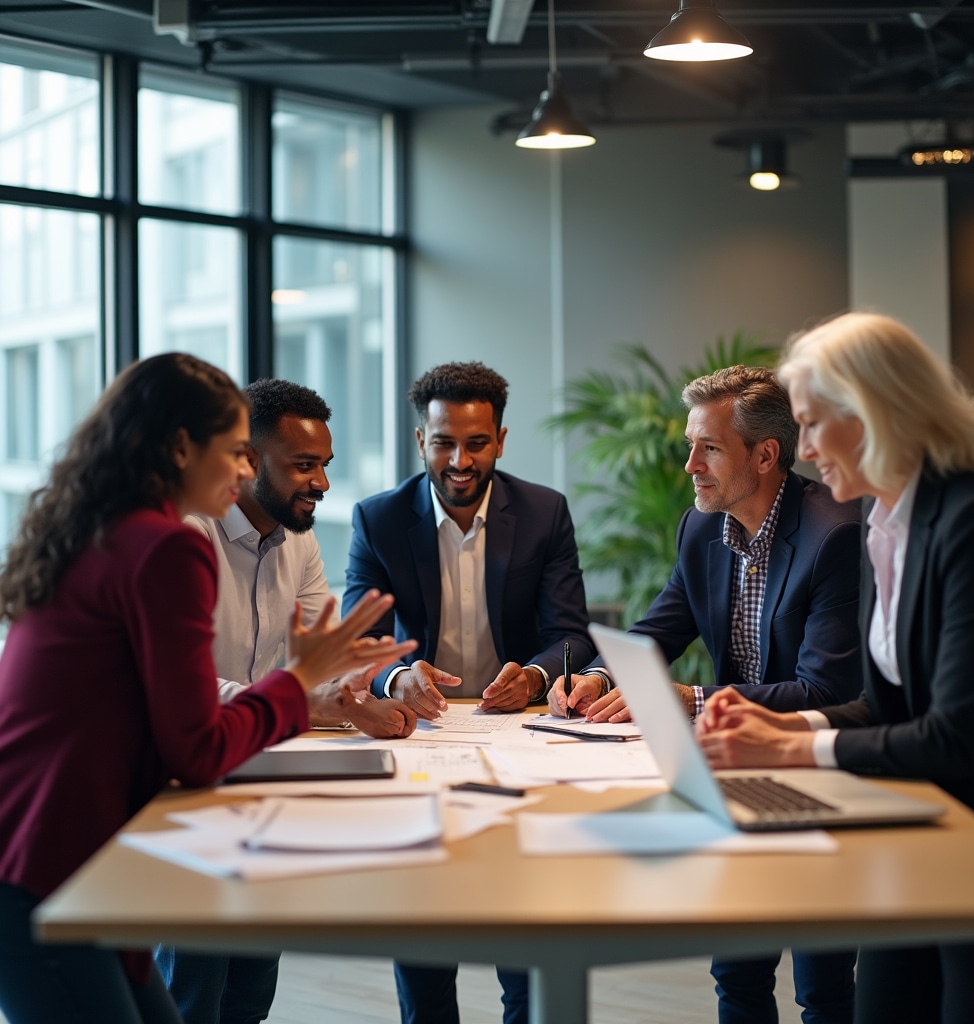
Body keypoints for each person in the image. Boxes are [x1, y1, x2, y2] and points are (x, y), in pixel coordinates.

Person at [0, 353, 416, 1024]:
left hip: (60, 848)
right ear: (180, 449)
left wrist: (321, 679)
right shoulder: (170, 546)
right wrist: (298, 684)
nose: (244, 471)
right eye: (234, 453)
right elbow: (197, 747)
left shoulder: (101, 528)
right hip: (48, 861)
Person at [697, 313, 974, 1024]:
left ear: (874, 411)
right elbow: (886, 706)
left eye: (813, 425)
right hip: (912, 837)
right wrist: (780, 723)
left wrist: (789, 749)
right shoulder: (880, 522)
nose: (807, 450)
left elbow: (951, 737)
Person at [554, 365, 862, 1024]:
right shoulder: (702, 529)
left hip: (815, 773)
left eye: (710, 448)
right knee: (737, 973)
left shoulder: (834, 534)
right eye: (691, 446)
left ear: (766, 455)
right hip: (730, 771)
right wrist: (600, 679)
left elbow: (825, 690)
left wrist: (693, 701)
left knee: (823, 989)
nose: (690, 465)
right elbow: (659, 628)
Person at [155, 378, 416, 1024]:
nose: (321, 483)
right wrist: (302, 697)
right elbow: (182, 689)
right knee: (194, 987)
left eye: (325, 465)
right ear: (247, 460)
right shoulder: (187, 535)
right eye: (303, 465)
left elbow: (318, 660)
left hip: (264, 773)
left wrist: (365, 688)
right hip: (186, 780)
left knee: (251, 991)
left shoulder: (299, 540)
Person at [343, 360, 595, 1024]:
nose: (459, 461)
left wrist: (535, 675)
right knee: (423, 918)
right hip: (420, 737)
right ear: (420, 441)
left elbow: (569, 632)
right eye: (444, 443)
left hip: (523, 736)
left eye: (476, 443)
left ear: (501, 440)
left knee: (526, 918)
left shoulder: (543, 512)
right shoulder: (378, 518)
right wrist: (396, 676)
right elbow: (358, 639)